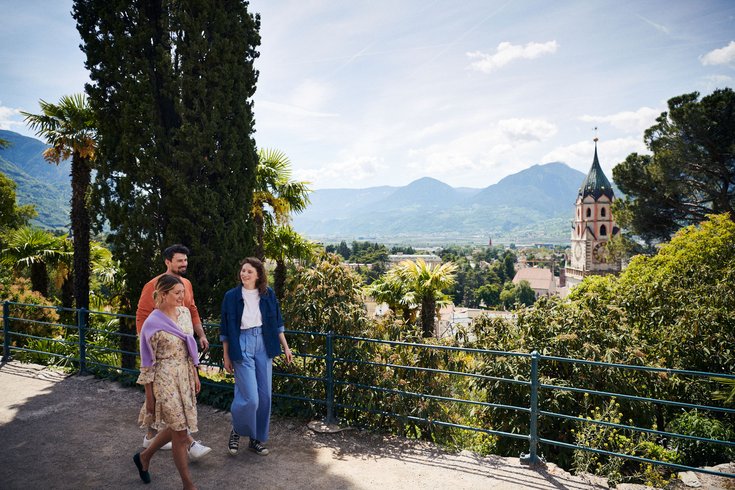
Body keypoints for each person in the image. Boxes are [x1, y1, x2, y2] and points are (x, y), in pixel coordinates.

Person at [136, 244, 210, 458]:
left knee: (162, 399)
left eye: (186, 260)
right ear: (168, 262)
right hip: (160, 352)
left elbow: (192, 310)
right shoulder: (153, 285)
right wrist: (147, 350)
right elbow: (142, 318)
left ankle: (150, 436)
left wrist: (201, 335)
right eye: (180, 260)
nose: (184, 264)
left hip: (180, 354)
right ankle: (190, 444)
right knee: (163, 398)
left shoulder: (186, 283)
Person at [220, 257, 293, 456]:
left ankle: (256, 439)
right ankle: (237, 429)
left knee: (265, 396)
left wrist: (286, 347)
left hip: (264, 343)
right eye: (243, 270)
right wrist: (226, 355)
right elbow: (225, 329)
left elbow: (277, 323)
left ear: (258, 275)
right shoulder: (231, 296)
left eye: (249, 271)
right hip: (241, 343)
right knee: (250, 398)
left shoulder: (268, 295)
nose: (244, 274)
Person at [133, 274, 201, 489]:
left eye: (183, 292)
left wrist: (195, 374)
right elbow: (147, 363)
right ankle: (188, 485)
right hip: (164, 378)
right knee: (181, 433)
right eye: (177, 293)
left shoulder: (184, 313)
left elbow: (188, 349)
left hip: (185, 375)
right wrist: (149, 398)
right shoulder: (151, 324)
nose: (182, 297)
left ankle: (144, 457)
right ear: (163, 294)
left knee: (177, 426)